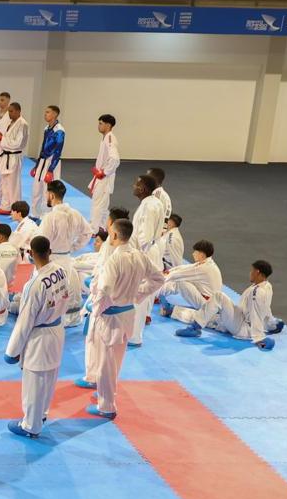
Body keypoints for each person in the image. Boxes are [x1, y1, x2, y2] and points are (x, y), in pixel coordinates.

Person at [84, 219, 165, 420]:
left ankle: (107, 405)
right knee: (115, 360)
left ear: (114, 235)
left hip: (111, 316)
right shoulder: (139, 256)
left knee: (106, 362)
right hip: (128, 313)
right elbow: (159, 279)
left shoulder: (114, 260)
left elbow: (105, 290)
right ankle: (107, 392)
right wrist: (137, 294)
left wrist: (94, 308)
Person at [3, 236, 78, 438]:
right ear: (49, 251)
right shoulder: (61, 271)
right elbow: (69, 297)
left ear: (31, 254)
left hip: (40, 335)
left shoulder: (35, 284)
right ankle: (42, 414)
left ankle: (30, 425)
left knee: (34, 382)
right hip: (57, 329)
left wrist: (12, 351)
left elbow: (25, 320)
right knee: (50, 377)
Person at [191, 261, 283, 351]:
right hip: (241, 321)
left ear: (257, 272)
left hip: (241, 327)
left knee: (218, 297)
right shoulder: (267, 286)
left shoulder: (257, 292)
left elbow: (256, 314)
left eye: (252, 271)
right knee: (213, 317)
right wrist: (271, 324)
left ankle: (195, 327)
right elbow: (265, 308)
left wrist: (259, 340)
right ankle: (272, 324)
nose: (250, 273)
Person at [127, 174, 166, 347]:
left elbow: (145, 236)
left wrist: (136, 256)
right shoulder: (154, 203)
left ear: (143, 188)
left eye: (136, 184)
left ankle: (134, 335)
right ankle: (135, 332)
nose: (133, 186)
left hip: (146, 251)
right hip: (151, 250)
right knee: (143, 294)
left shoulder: (149, 206)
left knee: (139, 293)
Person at [160, 240, 223, 331]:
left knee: (181, 283)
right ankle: (159, 293)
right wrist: (168, 272)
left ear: (202, 255)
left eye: (195, 252)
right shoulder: (207, 263)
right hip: (211, 303)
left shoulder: (204, 268)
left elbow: (178, 275)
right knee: (181, 282)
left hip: (207, 305)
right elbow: (184, 268)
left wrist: (160, 279)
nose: (193, 254)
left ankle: (158, 294)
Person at [29, 106, 66, 219]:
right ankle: (35, 214)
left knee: (49, 191)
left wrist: (50, 169)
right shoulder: (47, 128)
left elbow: (58, 151)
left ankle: (47, 217)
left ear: (55, 114)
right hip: (42, 161)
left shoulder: (60, 131)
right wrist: (36, 165)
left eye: (48, 112)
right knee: (36, 189)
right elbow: (42, 147)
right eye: (45, 112)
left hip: (52, 162)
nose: (45, 114)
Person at [88, 114, 120, 232]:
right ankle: (102, 226)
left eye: (101, 123)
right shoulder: (106, 137)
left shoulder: (110, 138)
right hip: (103, 176)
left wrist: (104, 172)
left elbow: (115, 159)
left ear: (108, 125)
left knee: (98, 202)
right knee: (102, 203)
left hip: (104, 177)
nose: (99, 126)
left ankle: (93, 229)